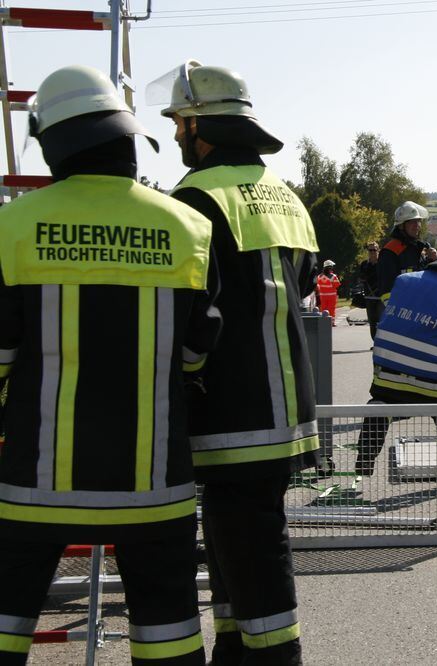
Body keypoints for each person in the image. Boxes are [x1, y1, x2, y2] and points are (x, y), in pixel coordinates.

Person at [0, 65, 221, 665]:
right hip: (154, 485)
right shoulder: (189, 227)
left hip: (32, 486)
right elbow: (199, 349)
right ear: (127, 136)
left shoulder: (10, 227)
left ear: (51, 142)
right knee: (168, 628)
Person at [151, 59, 319, 665]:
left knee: (251, 548)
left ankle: (276, 657)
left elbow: (194, 303)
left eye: (180, 124)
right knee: (233, 545)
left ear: (203, 126)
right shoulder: (285, 195)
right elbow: (296, 285)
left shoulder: (196, 197)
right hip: (286, 406)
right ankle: (236, 650)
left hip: (227, 404)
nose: (175, 136)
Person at [354, 241, 437, 487]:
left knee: (382, 407)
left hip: (385, 371)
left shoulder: (405, 280)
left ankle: (364, 458)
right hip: (431, 377)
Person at [375, 200, 429, 319]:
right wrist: (395, 313)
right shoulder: (391, 251)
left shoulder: (417, 249)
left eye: (418, 221)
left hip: (419, 311)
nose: (417, 225)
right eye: (412, 222)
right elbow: (386, 288)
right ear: (401, 225)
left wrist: (432, 261)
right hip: (400, 314)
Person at [358, 242, 381, 339]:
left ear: (378, 250)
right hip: (369, 296)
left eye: (374, 250)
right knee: (372, 321)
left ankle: (381, 342)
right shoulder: (364, 264)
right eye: (370, 250)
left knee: (381, 320)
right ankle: (375, 342)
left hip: (381, 296)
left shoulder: (382, 263)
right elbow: (360, 277)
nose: (372, 252)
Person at [315, 259, 340, 326]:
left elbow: (317, 285)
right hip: (332, 296)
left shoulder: (319, 276)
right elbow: (337, 285)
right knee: (331, 309)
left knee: (323, 308)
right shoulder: (333, 276)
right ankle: (332, 322)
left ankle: (324, 322)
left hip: (322, 296)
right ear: (330, 267)